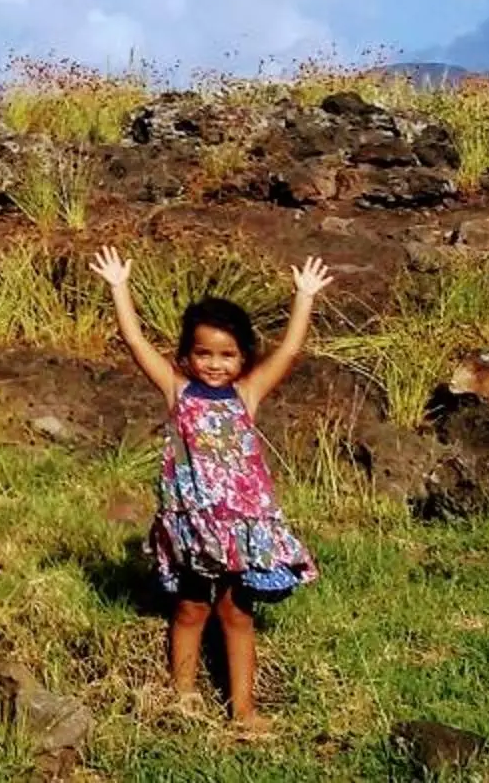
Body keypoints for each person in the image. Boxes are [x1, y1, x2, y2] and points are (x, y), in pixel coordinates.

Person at [87, 246, 335, 735]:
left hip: (241, 529)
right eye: (204, 353)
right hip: (193, 527)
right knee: (190, 607)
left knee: (237, 613)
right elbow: (135, 342)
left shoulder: (247, 394)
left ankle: (243, 709)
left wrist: (303, 297)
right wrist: (119, 287)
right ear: (186, 355)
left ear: (243, 359)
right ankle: (183, 697)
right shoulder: (178, 391)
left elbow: (288, 350)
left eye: (227, 355)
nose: (215, 364)